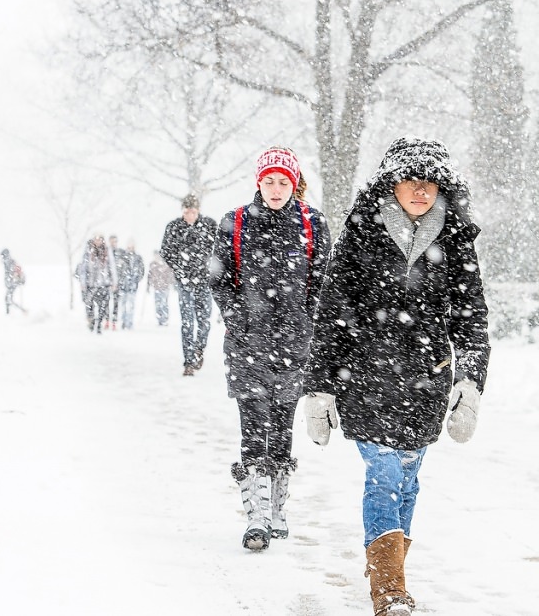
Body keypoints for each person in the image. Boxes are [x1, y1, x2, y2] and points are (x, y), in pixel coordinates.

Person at [303, 136, 490, 615]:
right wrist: (320, 386)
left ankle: (386, 567)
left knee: (407, 476)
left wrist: (470, 384)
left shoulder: (454, 239)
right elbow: (334, 311)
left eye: (430, 183)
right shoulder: (362, 231)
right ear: (393, 183)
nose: (421, 190)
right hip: (366, 375)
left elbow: (471, 316)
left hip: (427, 379)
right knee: (383, 472)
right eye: (412, 180)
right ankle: (389, 590)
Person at [209, 146, 332, 551]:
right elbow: (219, 278)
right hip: (248, 343)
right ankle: (255, 517)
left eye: (284, 181)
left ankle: (278, 508)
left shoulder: (313, 224)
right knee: (252, 426)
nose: (276, 188)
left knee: (280, 426)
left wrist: (307, 323)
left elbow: (322, 285)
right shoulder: (236, 222)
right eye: (269, 181)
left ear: (294, 184)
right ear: (258, 182)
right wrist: (237, 317)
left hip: (295, 346)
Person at [160, 193, 217, 376]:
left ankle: (199, 348)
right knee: (187, 322)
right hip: (184, 282)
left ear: (198, 210)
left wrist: (210, 269)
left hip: (204, 281)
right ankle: (188, 362)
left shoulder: (209, 225)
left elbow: (219, 250)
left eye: (192, 211)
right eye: (186, 212)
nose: (189, 215)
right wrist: (179, 269)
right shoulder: (174, 227)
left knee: (204, 321)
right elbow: (166, 251)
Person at [76, 234, 118, 334]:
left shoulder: (107, 252)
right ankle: (92, 321)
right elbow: (83, 268)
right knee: (89, 305)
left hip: (104, 283)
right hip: (91, 284)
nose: (98, 241)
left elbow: (112, 266)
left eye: (100, 239)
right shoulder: (88, 251)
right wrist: (83, 282)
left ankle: (99, 323)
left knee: (103, 306)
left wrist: (114, 282)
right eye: (96, 239)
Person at [118, 240, 146, 329]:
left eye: (132, 247)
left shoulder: (138, 258)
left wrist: (137, 279)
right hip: (123, 286)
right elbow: (118, 270)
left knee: (131, 305)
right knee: (123, 305)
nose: (130, 248)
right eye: (129, 247)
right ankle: (123, 321)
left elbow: (142, 270)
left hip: (133, 286)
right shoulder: (122, 257)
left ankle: (130, 322)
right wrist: (120, 280)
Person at [147, 251, 174, 326]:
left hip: (165, 287)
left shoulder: (165, 264)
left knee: (164, 303)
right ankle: (159, 319)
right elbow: (149, 276)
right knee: (158, 304)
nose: (156, 257)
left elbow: (170, 274)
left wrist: (169, 282)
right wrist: (148, 286)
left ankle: (165, 319)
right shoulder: (152, 264)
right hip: (156, 287)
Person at [107, 235, 128, 330]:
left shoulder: (121, 252)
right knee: (106, 302)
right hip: (107, 281)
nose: (113, 243)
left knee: (116, 303)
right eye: (112, 241)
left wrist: (121, 278)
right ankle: (107, 320)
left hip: (118, 282)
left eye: (115, 241)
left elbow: (126, 265)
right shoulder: (106, 252)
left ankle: (114, 321)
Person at [0, 248, 25, 314]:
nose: (2, 257)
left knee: (8, 299)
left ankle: (21, 311)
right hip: (11, 283)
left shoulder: (10, 262)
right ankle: (10, 312)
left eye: (3, 255)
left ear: (6, 255)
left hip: (12, 283)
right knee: (8, 299)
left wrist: (18, 278)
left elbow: (17, 271)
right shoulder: (7, 262)